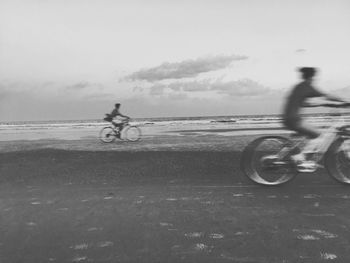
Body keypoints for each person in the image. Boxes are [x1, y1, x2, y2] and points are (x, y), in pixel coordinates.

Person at [283, 67, 345, 172]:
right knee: (318, 134)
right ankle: (300, 160)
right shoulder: (307, 86)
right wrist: (344, 101)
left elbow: (305, 103)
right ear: (312, 76)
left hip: (290, 118)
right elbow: (327, 96)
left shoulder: (299, 87)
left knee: (311, 135)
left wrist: (328, 104)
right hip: (294, 119)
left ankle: (301, 158)